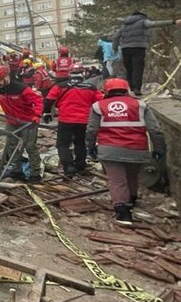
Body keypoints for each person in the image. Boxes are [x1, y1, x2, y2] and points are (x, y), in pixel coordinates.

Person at [86, 78, 166, 225]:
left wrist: (90, 147)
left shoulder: (98, 106)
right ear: (126, 89)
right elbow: (155, 130)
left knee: (117, 180)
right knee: (132, 175)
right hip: (136, 148)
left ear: (106, 90)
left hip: (109, 149)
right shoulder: (140, 105)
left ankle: (123, 212)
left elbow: (91, 130)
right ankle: (132, 200)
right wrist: (159, 148)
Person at [0, 65, 44, 183]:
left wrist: (37, 115)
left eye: (0, 80)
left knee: (30, 147)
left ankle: (35, 173)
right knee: (11, 146)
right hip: (11, 121)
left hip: (27, 121)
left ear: (6, 76)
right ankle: (16, 169)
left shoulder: (21, 88)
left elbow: (38, 100)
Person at [43, 63, 103, 176]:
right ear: (83, 73)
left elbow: (49, 100)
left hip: (65, 120)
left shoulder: (60, 86)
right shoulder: (91, 87)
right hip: (84, 120)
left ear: (70, 73)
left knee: (63, 144)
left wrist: (47, 113)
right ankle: (80, 166)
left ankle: (68, 166)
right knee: (80, 143)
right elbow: (100, 103)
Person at [113, 12, 181, 95]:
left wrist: (115, 48)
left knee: (129, 69)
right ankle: (137, 88)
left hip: (125, 48)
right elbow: (154, 24)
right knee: (138, 68)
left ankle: (131, 88)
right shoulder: (143, 21)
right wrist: (173, 22)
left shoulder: (125, 25)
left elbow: (116, 36)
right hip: (138, 47)